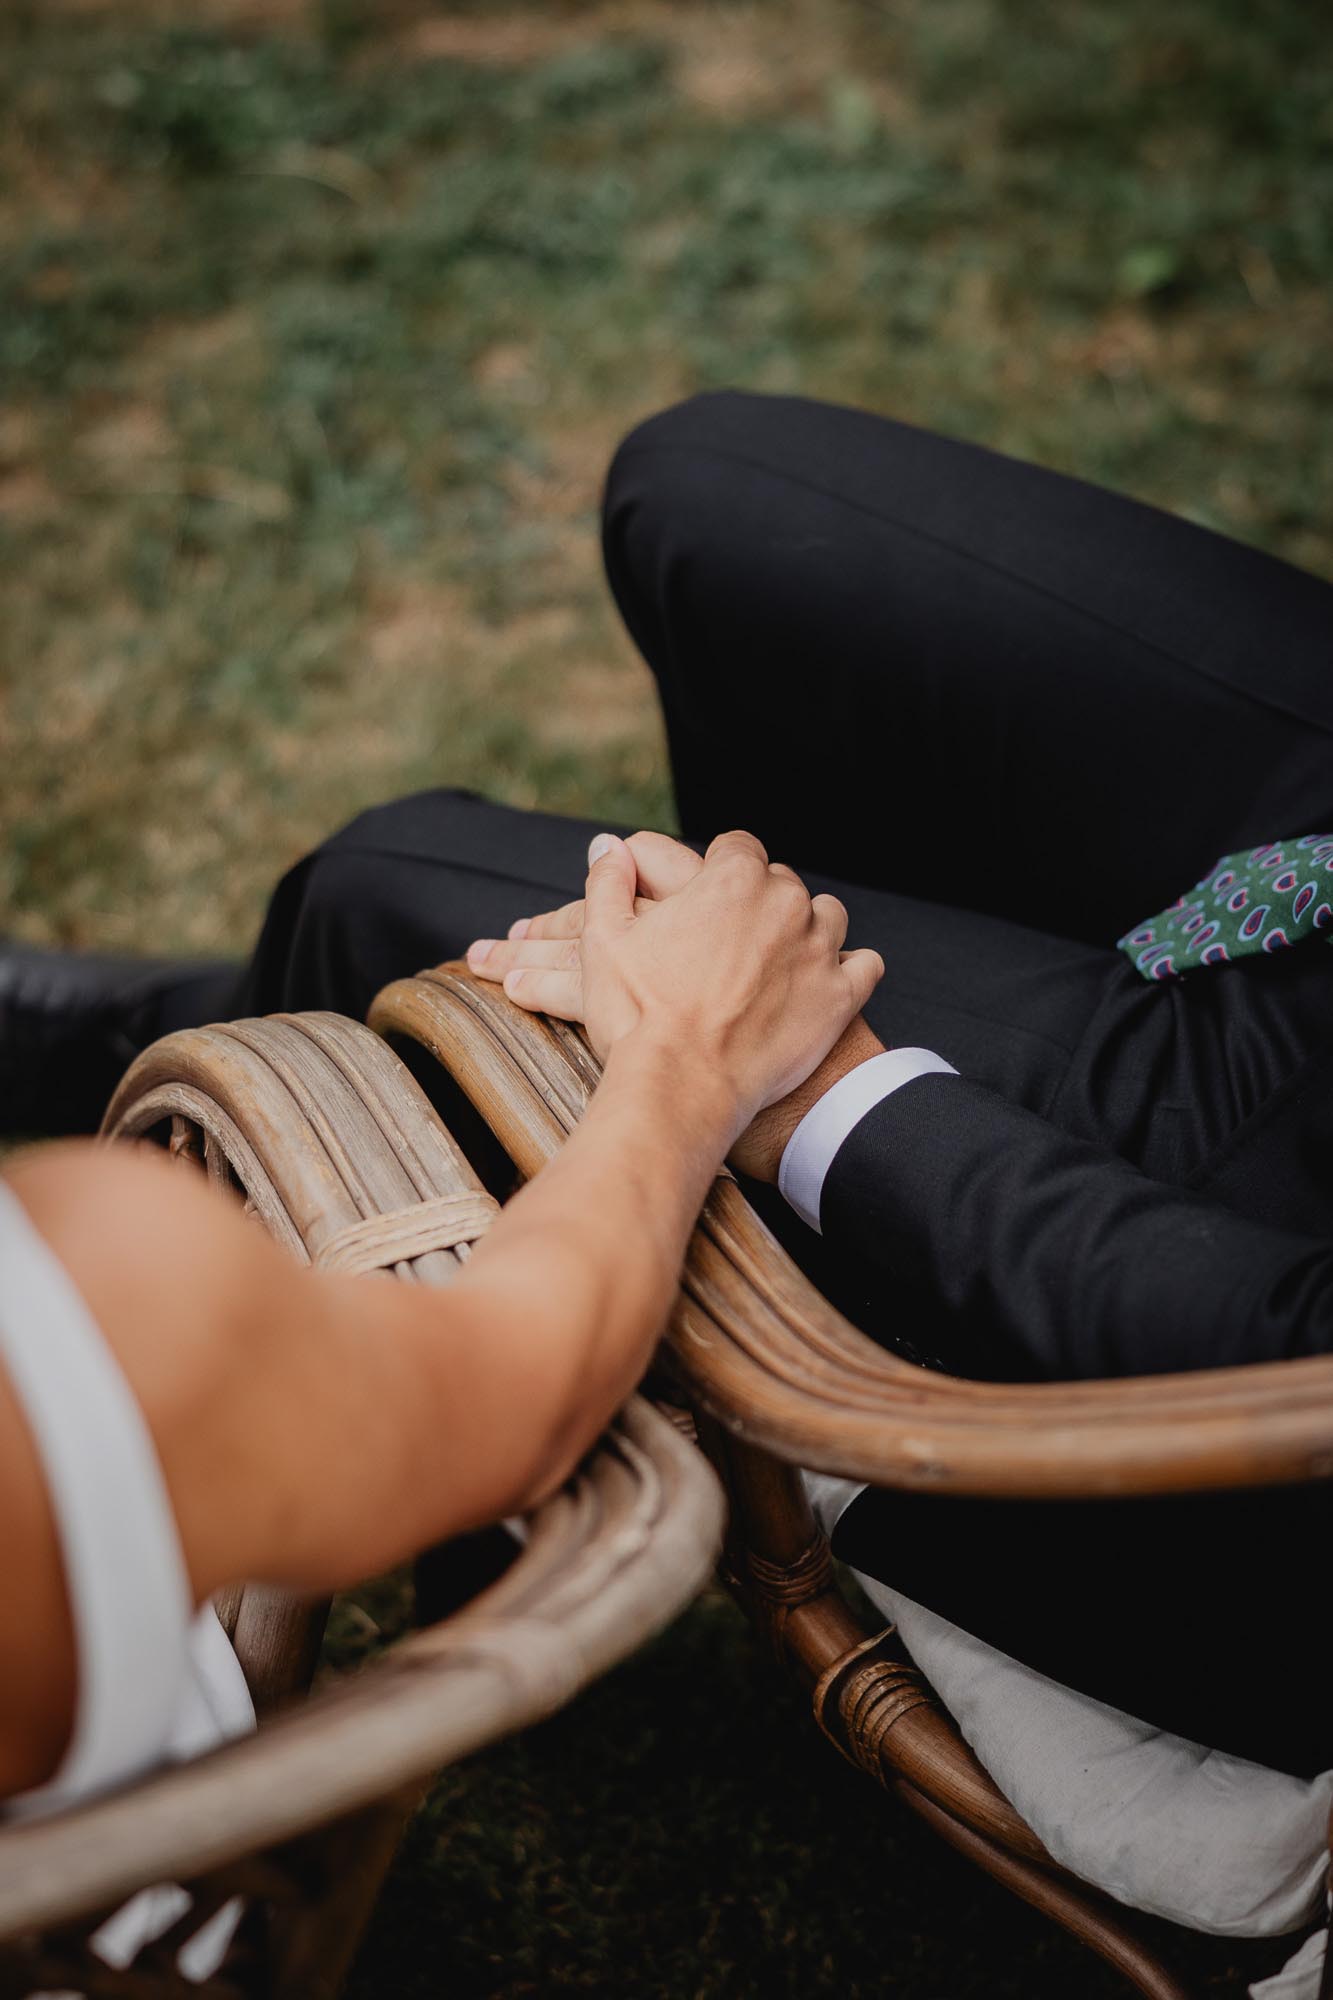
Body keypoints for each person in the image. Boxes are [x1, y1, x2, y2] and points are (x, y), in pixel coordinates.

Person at [4, 388, 1333, 1782]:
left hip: (1249, 1276)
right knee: (705, 492)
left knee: (382, 891)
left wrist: (768, 1077)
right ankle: (741, 1027)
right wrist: (698, 1035)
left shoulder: (127, 1292)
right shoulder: (115, 1278)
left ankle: (492, 1377)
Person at [1, 829, 880, 1809]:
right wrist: (688, 1057)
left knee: (368, 883)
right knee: (368, 889)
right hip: (122, 1882)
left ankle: (98, 1029)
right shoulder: (122, 1300)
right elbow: (522, 1385)